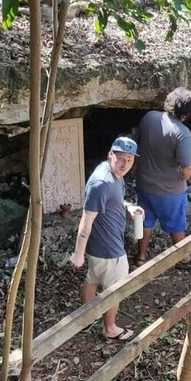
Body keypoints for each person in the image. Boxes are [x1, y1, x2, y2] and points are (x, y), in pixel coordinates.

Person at [69, 136, 144, 341]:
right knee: (115, 289)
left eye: (129, 160)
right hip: (109, 249)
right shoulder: (102, 183)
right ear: (110, 154)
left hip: (100, 245)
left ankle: (86, 315)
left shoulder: (112, 173)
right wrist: (78, 253)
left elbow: (113, 200)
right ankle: (109, 328)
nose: (124, 164)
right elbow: (86, 219)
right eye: (120, 158)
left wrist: (129, 207)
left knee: (93, 277)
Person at [134, 87, 191, 270]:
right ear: (188, 114)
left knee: (145, 220)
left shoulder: (149, 117)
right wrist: (182, 177)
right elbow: (188, 167)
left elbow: (138, 143)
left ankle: (140, 257)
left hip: (144, 183)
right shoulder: (182, 133)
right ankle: (184, 259)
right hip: (169, 191)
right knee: (176, 225)